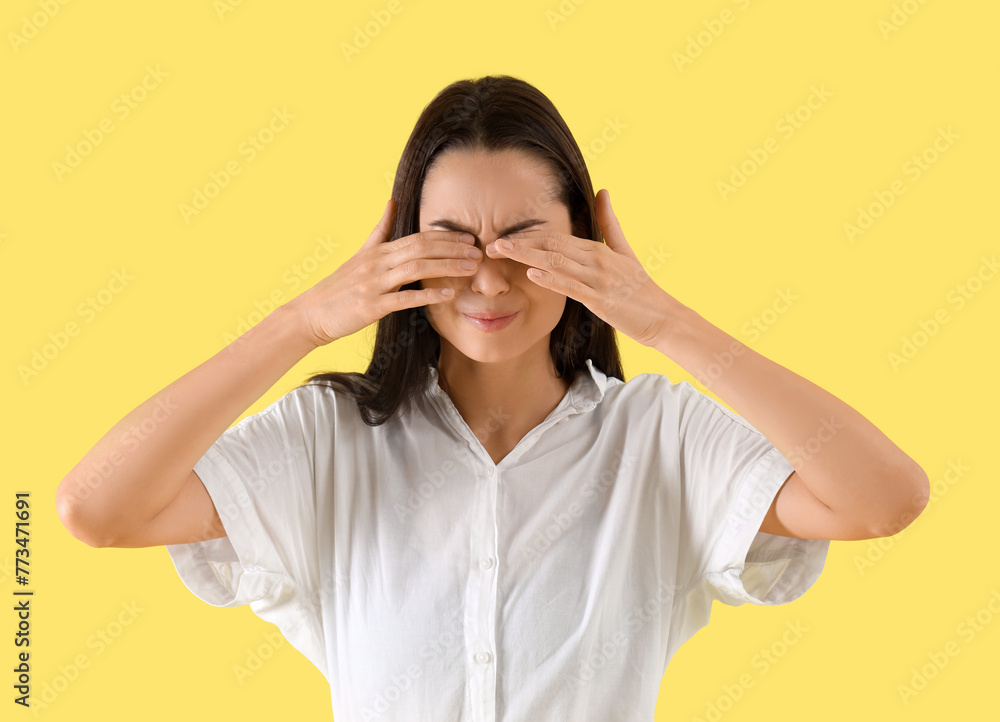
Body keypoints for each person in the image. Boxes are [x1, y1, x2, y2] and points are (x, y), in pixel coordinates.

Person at [55, 75, 930, 720]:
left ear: (584, 242)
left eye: (523, 241)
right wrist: (304, 320)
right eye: (450, 242)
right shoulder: (329, 440)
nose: (487, 278)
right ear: (401, 249)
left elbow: (884, 497)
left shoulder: (656, 438)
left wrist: (663, 319)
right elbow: (96, 509)